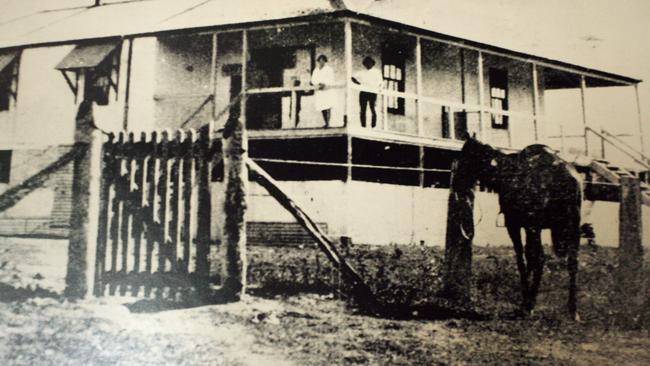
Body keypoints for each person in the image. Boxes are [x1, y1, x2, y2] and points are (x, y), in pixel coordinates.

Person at [352, 56, 383, 128]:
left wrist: (378, 89)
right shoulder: (362, 72)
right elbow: (352, 77)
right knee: (363, 109)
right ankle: (363, 126)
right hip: (364, 92)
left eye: (369, 63)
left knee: (373, 108)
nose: (368, 64)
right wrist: (359, 83)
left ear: (372, 63)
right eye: (366, 63)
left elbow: (380, 82)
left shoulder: (377, 72)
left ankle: (373, 126)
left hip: (372, 92)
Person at [310, 54, 335, 127]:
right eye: (319, 61)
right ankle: (325, 122)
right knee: (322, 106)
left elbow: (331, 79)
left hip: (327, 90)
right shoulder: (316, 70)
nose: (321, 62)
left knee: (328, 106)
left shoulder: (329, 69)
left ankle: (328, 123)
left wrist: (325, 83)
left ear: (325, 61)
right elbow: (313, 80)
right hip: (319, 90)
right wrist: (317, 84)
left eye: (322, 60)